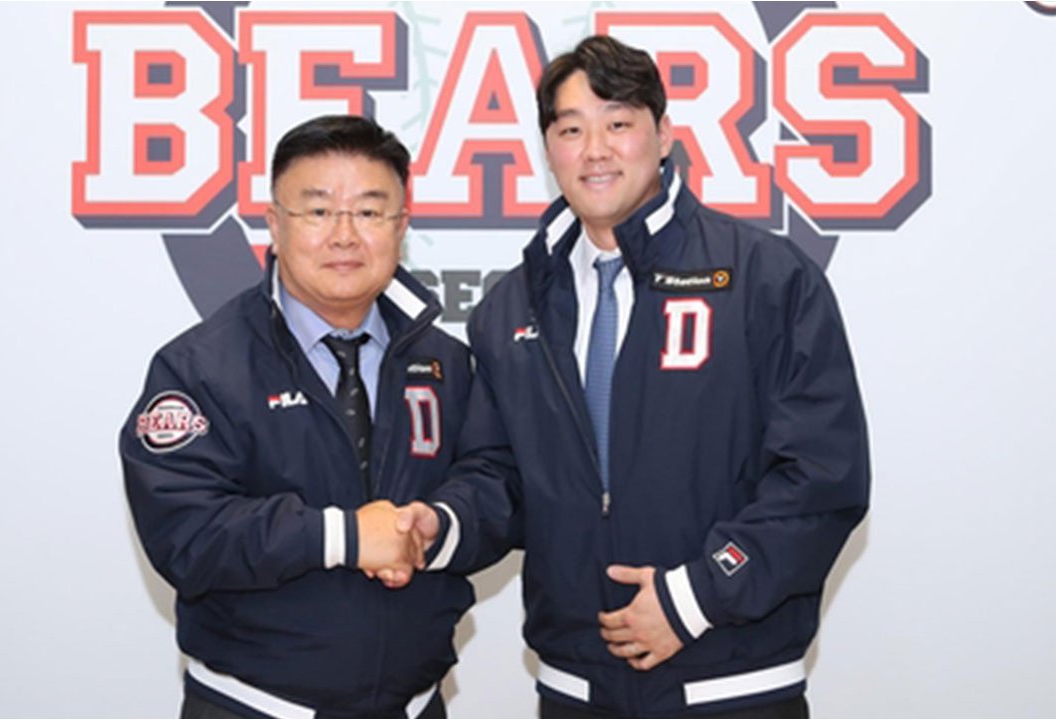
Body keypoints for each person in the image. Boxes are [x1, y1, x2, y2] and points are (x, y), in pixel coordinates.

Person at [396, 36, 870, 718]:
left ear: (664, 134)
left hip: (733, 686)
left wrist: (695, 597)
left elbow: (823, 477)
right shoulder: (510, 309)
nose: (595, 150)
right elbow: (500, 479)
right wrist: (442, 523)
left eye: (618, 123)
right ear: (548, 149)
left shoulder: (766, 279)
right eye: (570, 130)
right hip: (575, 689)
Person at [121, 114, 473, 718]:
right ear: (274, 225)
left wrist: (436, 525)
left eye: (369, 212)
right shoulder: (200, 368)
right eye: (318, 211)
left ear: (401, 227)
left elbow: (497, 482)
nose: (344, 235)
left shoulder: (446, 363)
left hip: (416, 706)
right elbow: (187, 533)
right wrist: (345, 538)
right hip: (253, 707)